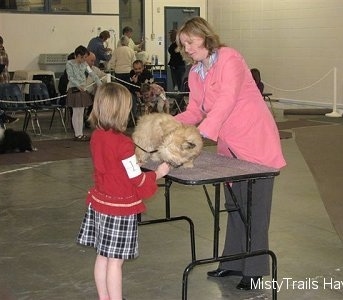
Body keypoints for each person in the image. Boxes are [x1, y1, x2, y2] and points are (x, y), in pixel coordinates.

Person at [174, 17, 286, 291]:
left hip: (256, 144)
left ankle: (256, 269)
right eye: (183, 44)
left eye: (190, 41)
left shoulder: (230, 59)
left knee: (255, 209)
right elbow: (195, 110)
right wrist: (167, 124)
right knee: (235, 206)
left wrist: (199, 136)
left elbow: (226, 101)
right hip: (230, 148)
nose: (187, 48)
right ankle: (233, 262)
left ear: (205, 36)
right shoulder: (196, 73)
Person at [76, 82, 170, 300]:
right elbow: (136, 179)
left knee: (102, 256)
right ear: (122, 111)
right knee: (115, 262)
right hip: (120, 210)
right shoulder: (124, 144)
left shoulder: (97, 136)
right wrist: (158, 173)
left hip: (100, 203)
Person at [65, 45, 101, 141]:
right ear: (78, 55)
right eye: (83, 57)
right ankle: (77, 134)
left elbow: (92, 74)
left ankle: (80, 133)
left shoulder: (84, 64)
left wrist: (100, 83)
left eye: (85, 57)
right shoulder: (69, 64)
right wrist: (78, 85)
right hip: (74, 89)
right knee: (76, 112)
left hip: (82, 90)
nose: (84, 59)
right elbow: (70, 77)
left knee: (81, 112)